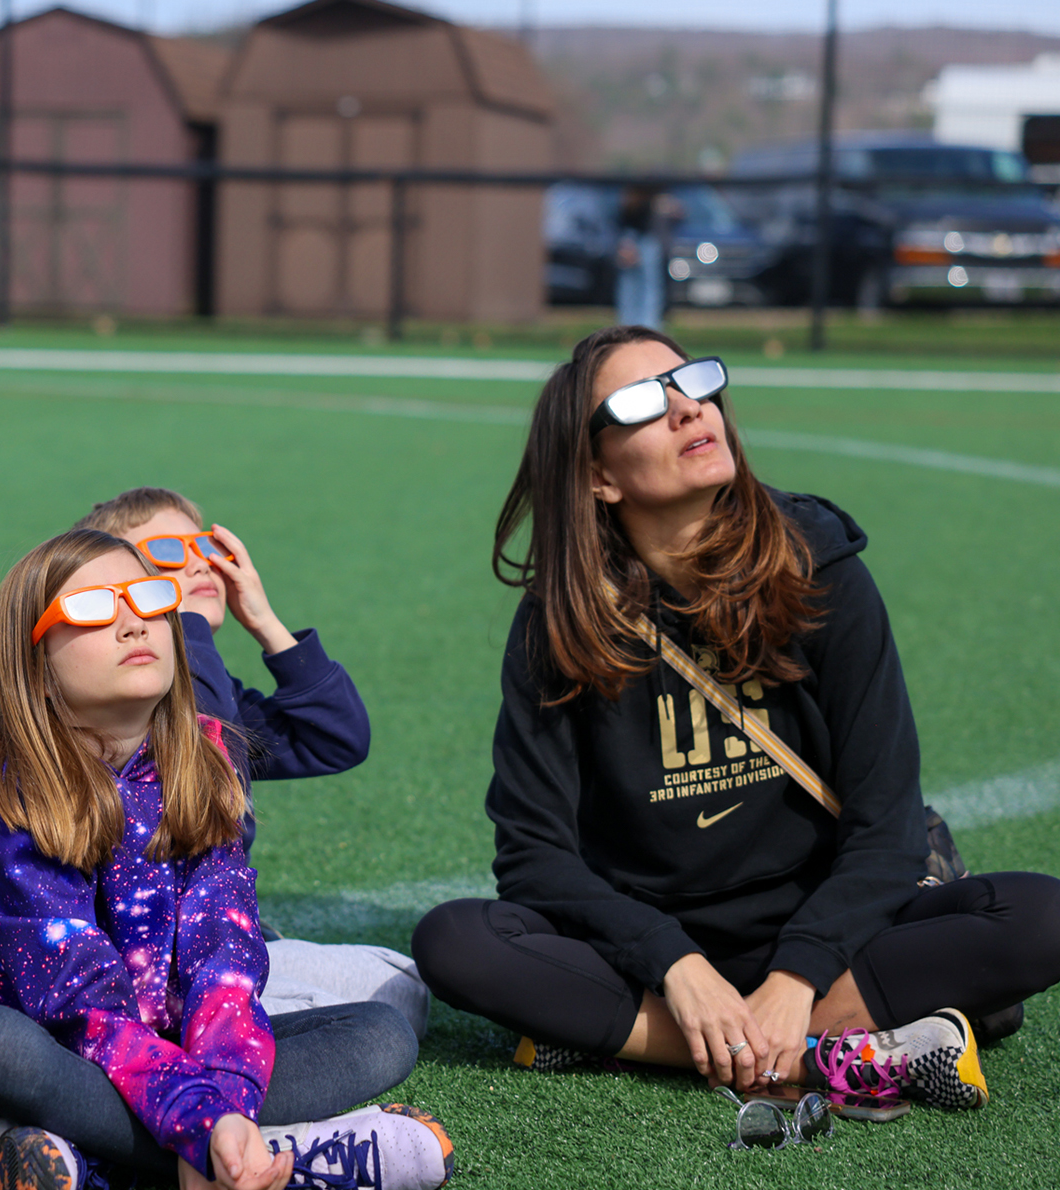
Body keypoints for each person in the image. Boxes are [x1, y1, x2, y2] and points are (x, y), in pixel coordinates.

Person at [411, 324, 1060, 1108]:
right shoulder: (561, 621)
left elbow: (885, 828)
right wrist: (676, 965)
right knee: (455, 943)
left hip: (830, 927)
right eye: (645, 402)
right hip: (653, 949)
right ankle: (842, 1050)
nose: (689, 408)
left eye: (695, 383)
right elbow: (534, 857)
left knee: (1040, 915)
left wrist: (795, 974)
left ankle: (649, 1039)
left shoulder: (820, 571)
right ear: (598, 476)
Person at [0, 529, 450, 1190]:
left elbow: (226, 965)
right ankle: (292, 1155)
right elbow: (79, 1001)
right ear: (36, 668)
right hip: (56, 1041)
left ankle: (80, 1148)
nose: (133, 619)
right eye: (95, 608)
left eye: (148, 598)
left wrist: (212, 1106)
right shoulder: (6, 794)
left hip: (168, 1049)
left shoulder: (204, 768)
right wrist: (201, 1119)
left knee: (381, 1032)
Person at [76, 488, 429, 1035]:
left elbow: (335, 739)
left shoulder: (217, 689)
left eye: (208, 546)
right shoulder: (111, 697)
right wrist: (187, 625)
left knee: (401, 986)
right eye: (168, 551)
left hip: (215, 944)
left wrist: (262, 619)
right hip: (136, 964)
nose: (199, 561)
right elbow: (205, 770)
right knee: (377, 1018)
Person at [613, 185, 667, 330]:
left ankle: (649, 329)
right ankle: (628, 329)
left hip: (648, 240)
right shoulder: (621, 193)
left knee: (649, 287)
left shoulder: (655, 194)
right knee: (629, 286)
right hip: (629, 238)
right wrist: (626, 243)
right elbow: (618, 219)